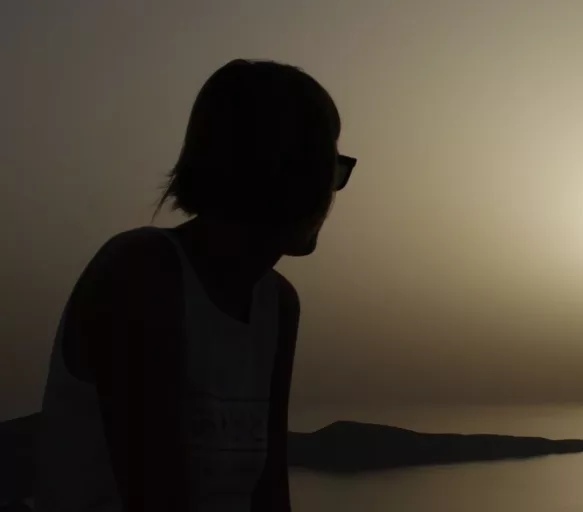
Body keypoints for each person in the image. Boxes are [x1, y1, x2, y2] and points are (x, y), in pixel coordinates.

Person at [34, 60, 356, 512]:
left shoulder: (277, 304)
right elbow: (155, 494)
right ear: (278, 169)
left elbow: (268, 491)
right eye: (329, 169)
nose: (332, 193)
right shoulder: (142, 273)